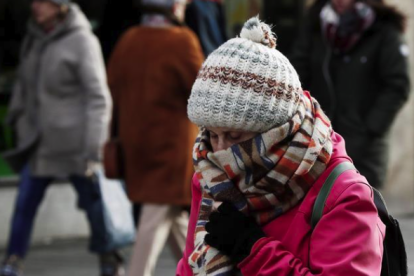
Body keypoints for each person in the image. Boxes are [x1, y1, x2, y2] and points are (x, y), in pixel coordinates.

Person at [176, 17, 384, 275]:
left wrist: (251, 249)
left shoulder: (343, 195)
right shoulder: (210, 173)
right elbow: (188, 267)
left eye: (234, 136)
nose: (219, 151)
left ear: (277, 133)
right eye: (212, 134)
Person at [0, 1, 125, 276]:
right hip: (40, 144)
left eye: (44, 2)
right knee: (24, 204)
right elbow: (23, 85)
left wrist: (94, 149)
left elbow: (98, 99)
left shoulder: (82, 40)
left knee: (97, 209)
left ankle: (109, 259)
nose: (36, 6)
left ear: (60, 7)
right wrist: (17, 120)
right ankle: (13, 260)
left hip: (76, 147)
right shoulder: (34, 38)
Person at [106, 0, 204, 275]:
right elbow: (202, 92)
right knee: (155, 213)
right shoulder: (182, 40)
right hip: (173, 148)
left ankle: (199, 271)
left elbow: (112, 87)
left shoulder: (128, 40)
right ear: (173, 8)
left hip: (135, 143)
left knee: (173, 217)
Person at [290, 0, 410, 188]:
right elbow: (297, 76)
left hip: (363, 149)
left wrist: (370, 128)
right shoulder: (316, 25)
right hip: (317, 145)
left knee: (361, 210)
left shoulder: (384, 30)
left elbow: (397, 85)